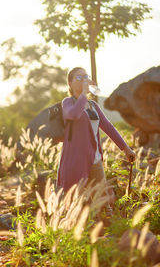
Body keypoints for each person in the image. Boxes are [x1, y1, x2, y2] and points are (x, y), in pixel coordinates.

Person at [57, 67, 136, 209]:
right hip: (75, 160)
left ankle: (109, 228)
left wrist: (126, 148)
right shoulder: (67, 103)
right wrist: (83, 95)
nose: (83, 80)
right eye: (79, 78)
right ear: (69, 83)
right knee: (77, 203)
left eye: (85, 76)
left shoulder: (93, 105)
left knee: (103, 202)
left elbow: (108, 127)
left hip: (95, 159)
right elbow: (74, 115)